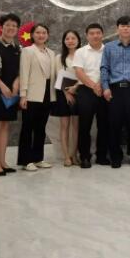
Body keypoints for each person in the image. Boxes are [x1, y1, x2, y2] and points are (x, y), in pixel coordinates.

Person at [101, 16, 130, 168]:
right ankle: (115, 156)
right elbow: (104, 68)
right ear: (117, 28)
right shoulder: (109, 47)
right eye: (122, 26)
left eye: (128, 26)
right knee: (114, 124)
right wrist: (105, 87)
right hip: (114, 89)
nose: (125, 28)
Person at [17, 23, 56, 171]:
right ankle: (25, 160)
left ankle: (38, 158)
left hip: (47, 94)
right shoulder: (27, 51)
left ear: (47, 35)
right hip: (32, 94)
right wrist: (23, 95)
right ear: (33, 35)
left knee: (41, 128)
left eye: (44, 32)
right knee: (27, 128)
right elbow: (24, 73)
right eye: (38, 32)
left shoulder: (51, 53)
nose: (41, 35)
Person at [0, 13, 21, 176]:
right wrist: (2, 86)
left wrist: (15, 85)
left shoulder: (18, 48)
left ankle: (2, 161)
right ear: (1, 27)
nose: (11, 28)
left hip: (11, 93)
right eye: (8, 25)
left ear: (17, 29)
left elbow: (21, 70)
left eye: (14, 25)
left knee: (5, 126)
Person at [73, 23, 110, 169]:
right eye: (92, 33)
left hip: (105, 89)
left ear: (102, 34)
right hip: (86, 90)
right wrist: (94, 86)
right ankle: (85, 157)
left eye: (98, 33)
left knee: (104, 125)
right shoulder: (80, 52)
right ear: (87, 35)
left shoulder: (108, 50)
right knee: (84, 125)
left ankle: (102, 156)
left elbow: (110, 69)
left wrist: (101, 85)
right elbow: (79, 72)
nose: (95, 36)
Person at [52, 30, 81, 167]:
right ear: (64, 41)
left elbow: (85, 74)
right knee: (64, 126)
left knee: (76, 127)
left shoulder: (82, 55)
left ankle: (74, 155)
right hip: (63, 94)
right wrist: (66, 93)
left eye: (73, 38)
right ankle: (66, 157)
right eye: (67, 38)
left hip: (79, 92)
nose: (70, 41)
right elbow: (58, 76)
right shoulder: (59, 58)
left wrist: (75, 88)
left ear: (78, 40)